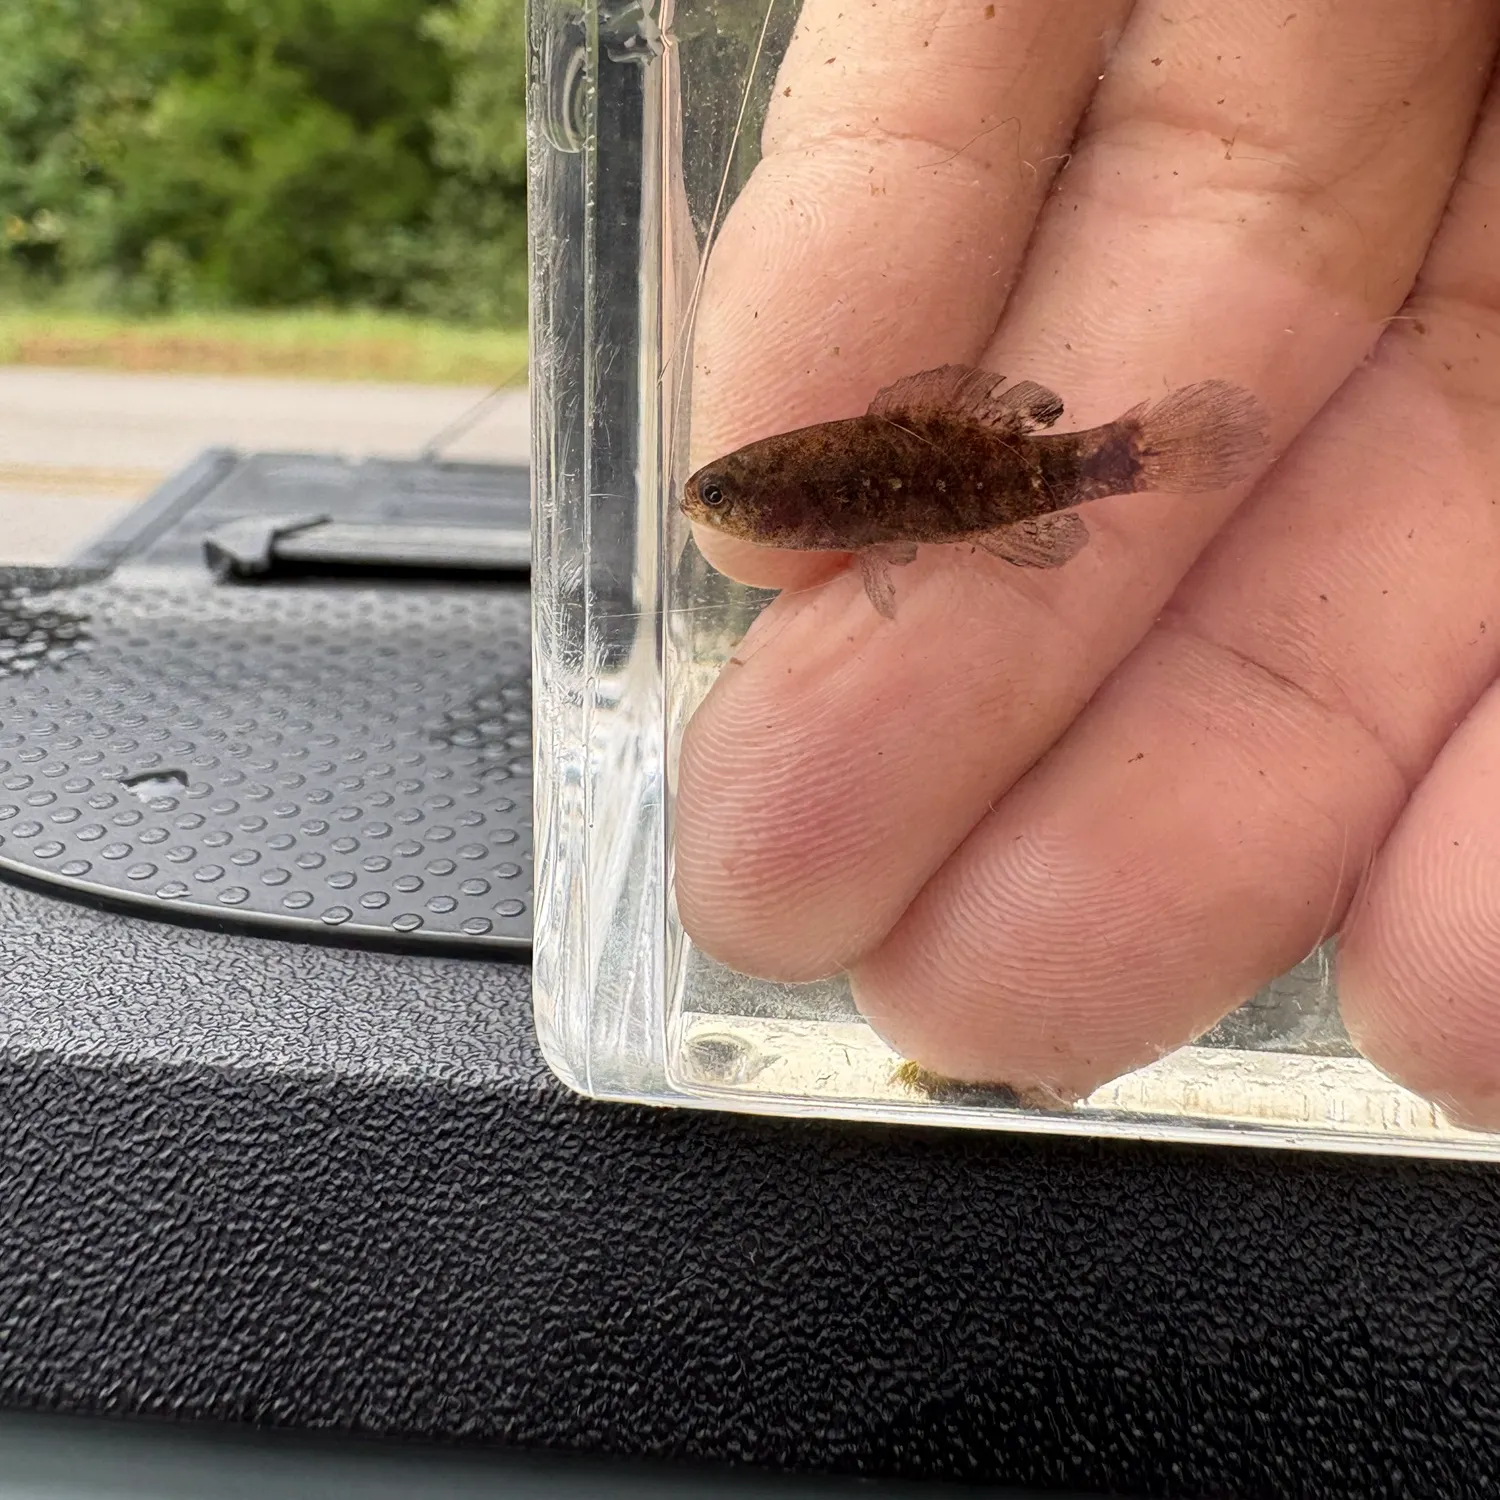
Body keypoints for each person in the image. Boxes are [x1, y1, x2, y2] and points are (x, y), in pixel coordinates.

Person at [670, 0, 1500, 1126]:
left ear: (775, 501)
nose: (712, 505)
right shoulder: (820, 481)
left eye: (721, 496)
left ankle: (1135, 452)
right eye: (721, 494)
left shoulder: (820, 479)